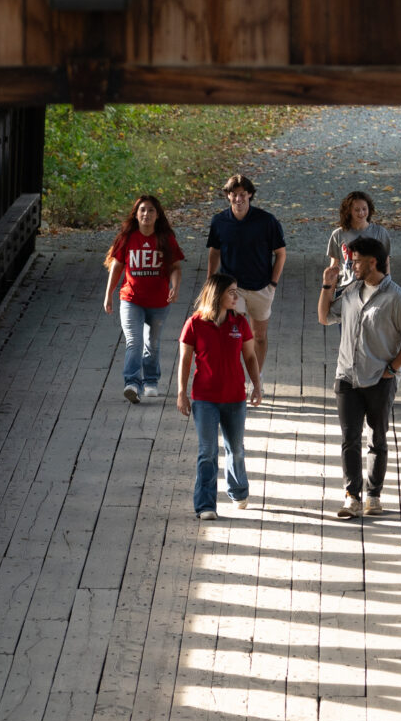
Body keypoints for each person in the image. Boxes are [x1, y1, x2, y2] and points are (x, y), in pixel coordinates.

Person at [317, 232, 401, 518]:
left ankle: (373, 495)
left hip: (379, 379)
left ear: (374, 262)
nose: (352, 266)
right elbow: (324, 317)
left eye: (358, 261)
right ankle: (352, 496)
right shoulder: (350, 290)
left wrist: (392, 368)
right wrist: (328, 285)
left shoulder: (397, 298)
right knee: (349, 438)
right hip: (347, 376)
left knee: (377, 437)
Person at [176, 272, 260, 519]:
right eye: (231, 292)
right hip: (205, 398)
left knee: (236, 448)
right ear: (217, 295)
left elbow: (251, 357)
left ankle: (238, 490)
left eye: (237, 292)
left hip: (235, 397)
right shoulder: (194, 323)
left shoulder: (240, 323)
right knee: (207, 452)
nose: (236, 296)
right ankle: (205, 505)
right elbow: (185, 360)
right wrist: (182, 393)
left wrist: (257, 385)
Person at [102, 193, 184, 402]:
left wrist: (175, 286)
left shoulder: (166, 239)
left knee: (153, 343)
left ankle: (151, 381)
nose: (146, 214)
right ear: (136, 215)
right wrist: (109, 295)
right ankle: (131, 383)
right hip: (131, 300)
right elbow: (117, 266)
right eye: (142, 210)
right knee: (134, 342)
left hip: (159, 302)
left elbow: (175, 267)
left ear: (158, 215)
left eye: (151, 210)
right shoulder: (127, 238)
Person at [205, 174, 286, 369]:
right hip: (232, 288)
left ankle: (257, 377)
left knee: (259, 336)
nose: (238, 199)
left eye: (243, 194)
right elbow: (214, 251)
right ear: (228, 195)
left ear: (250, 195)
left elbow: (280, 253)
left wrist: (272, 283)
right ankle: (235, 376)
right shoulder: (219, 221)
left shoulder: (266, 221)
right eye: (234, 194)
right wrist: (210, 280)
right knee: (233, 335)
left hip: (261, 287)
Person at [326, 189, 391, 284]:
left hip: (373, 287)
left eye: (364, 209)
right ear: (349, 211)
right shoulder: (338, 234)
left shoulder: (380, 232)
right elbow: (334, 265)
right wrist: (328, 288)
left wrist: (386, 285)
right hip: (345, 288)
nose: (361, 213)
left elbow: (386, 263)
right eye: (356, 210)